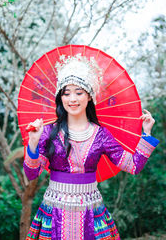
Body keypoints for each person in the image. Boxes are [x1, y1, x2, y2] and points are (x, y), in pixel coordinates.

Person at [23, 54, 159, 240]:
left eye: (78, 92)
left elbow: (133, 166)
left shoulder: (101, 135)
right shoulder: (49, 132)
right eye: (66, 92)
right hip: (54, 210)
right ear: (60, 97)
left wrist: (147, 134)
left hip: (90, 211)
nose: (72, 99)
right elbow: (31, 173)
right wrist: (33, 141)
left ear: (89, 97)